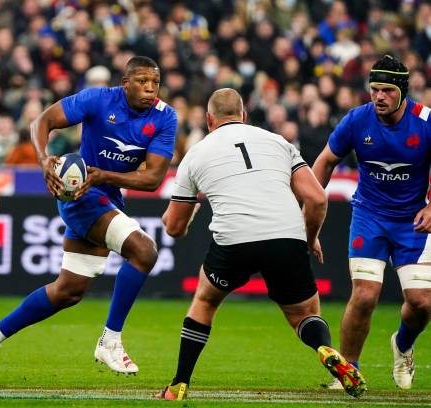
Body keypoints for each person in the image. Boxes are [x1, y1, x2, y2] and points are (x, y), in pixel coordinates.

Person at [0, 56, 177, 382]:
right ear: (125, 83)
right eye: (142, 81)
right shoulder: (98, 99)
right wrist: (43, 161)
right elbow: (43, 121)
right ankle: (110, 341)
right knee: (145, 251)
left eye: (155, 82)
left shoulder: (166, 117)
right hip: (81, 196)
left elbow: (153, 180)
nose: (150, 89)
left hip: (107, 195)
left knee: (68, 291)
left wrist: (103, 175)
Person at [156, 88, 367, 400]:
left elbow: (173, 228)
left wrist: (183, 220)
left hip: (234, 240)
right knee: (303, 314)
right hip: (286, 235)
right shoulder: (278, 142)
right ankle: (324, 348)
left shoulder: (196, 154)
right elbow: (317, 199)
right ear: (244, 116)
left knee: (205, 301)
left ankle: (178, 385)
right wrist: (308, 239)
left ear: (209, 120)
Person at [312, 55, 431, 390]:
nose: (379, 96)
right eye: (374, 89)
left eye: (387, 90)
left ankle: (403, 345)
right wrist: (308, 202)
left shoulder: (426, 122)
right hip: (369, 216)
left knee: (422, 303)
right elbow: (324, 162)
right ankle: (347, 371)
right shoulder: (357, 120)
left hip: (413, 221)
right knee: (364, 295)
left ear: (402, 91)